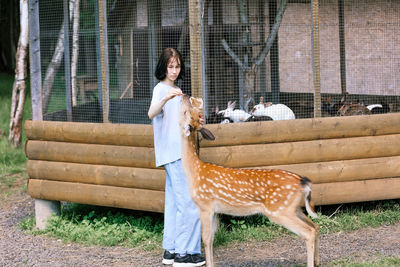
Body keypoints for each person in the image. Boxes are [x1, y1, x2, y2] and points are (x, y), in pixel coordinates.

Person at [148, 48, 205, 267]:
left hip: (177, 151)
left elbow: (178, 123)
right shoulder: (161, 89)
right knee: (188, 201)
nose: (174, 70)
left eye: (177, 66)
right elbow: (151, 113)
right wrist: (164, 99)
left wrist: (193, 120)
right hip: (173, 153)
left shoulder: (177, 90)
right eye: (170, 66)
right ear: (163, 67)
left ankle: (171, 250)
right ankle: (186, 253)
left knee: (174, 202)